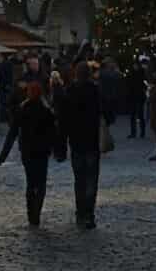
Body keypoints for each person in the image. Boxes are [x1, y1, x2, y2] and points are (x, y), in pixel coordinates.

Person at [0, 81, 58, 226]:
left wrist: (3, 156)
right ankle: (36, 211)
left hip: (28, 151)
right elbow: (54, 133)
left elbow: (12, 133)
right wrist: (57, 150)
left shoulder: (23, 109)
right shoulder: (46, 110)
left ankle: (32, 215)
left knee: (31, 183)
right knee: (41, 183)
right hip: (42, 152)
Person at [58, 57, 102, 228]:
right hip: (91, 141)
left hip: (76, 142)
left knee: (79, 180)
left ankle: (80, 212)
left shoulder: (70, 91)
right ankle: (89, 214)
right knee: (91, 180)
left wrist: (62, 142)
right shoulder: (95, 91)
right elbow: (106, 112)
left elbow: (63, 120)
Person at [98, 56, 123, 127]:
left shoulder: (103, 72)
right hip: (106, 97)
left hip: (108, 97)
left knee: (107, 118)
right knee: (107, 118)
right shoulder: (105, 72)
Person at [126, 58, 147, 138]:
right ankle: (137, 132)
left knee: (138, 115)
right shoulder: (138, 73)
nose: (135, 66)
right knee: (136, 115)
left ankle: (139, 132)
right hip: (136, 96)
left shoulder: (139, 73)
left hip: (137, 96)